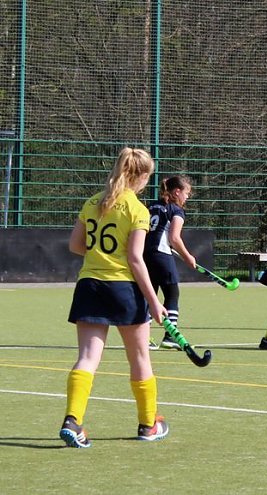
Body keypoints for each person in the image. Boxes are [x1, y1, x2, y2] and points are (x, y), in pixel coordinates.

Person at [60, 147, 170, 448]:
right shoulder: (137, 209)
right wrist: (154, 301)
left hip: (89, 286)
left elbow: (75, 245)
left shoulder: (93, 202)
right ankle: (149, 424)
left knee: (87, 358)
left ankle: (73, 420)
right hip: (123, 290)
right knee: (139, 358)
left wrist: (100, 256)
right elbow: (135, 260)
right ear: (142, 176)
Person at [144, 175, 197, 350]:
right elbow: (174, 237)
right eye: (186, 193)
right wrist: (188, 256)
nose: (187, 197)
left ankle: (144, 337)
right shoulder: (176, 210)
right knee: (172, 294)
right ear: (177, 192)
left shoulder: (151, 206)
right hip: (162, 256)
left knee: (148, 295)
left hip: (144, 255)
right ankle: (170, 336)